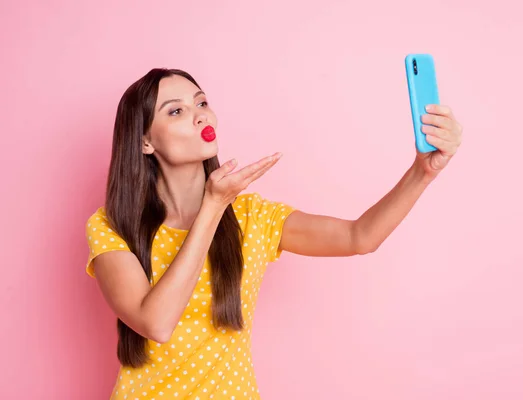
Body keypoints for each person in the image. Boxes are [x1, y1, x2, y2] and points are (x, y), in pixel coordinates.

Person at [85, 68, 462, 399]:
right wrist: (213, 207)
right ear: (145, 141)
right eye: (177, 111)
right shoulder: (111, 226)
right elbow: (157, 323)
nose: (200, 116)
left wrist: (423, 172)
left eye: (201, 103)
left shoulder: (251, 217)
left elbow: (359, 236)